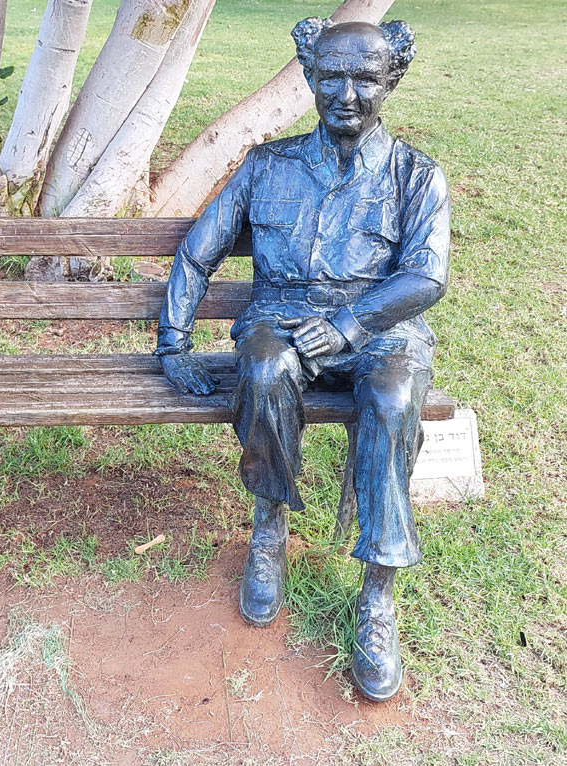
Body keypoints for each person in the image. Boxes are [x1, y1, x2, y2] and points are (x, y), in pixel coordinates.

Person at [155, 18, 450, 701]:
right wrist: (172, 344)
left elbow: (427, 277)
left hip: (382, 329)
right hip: (279, 321)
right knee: (263, 368)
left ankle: (378, 593)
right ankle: (268, 527)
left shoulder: (416, 176)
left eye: (365, 79)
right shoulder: (267, 167)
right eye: (330, 77)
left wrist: (348, 325)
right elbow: (199, 251)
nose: (346, 93)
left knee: (394, 399)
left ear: (390, 81)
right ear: (311, 79)